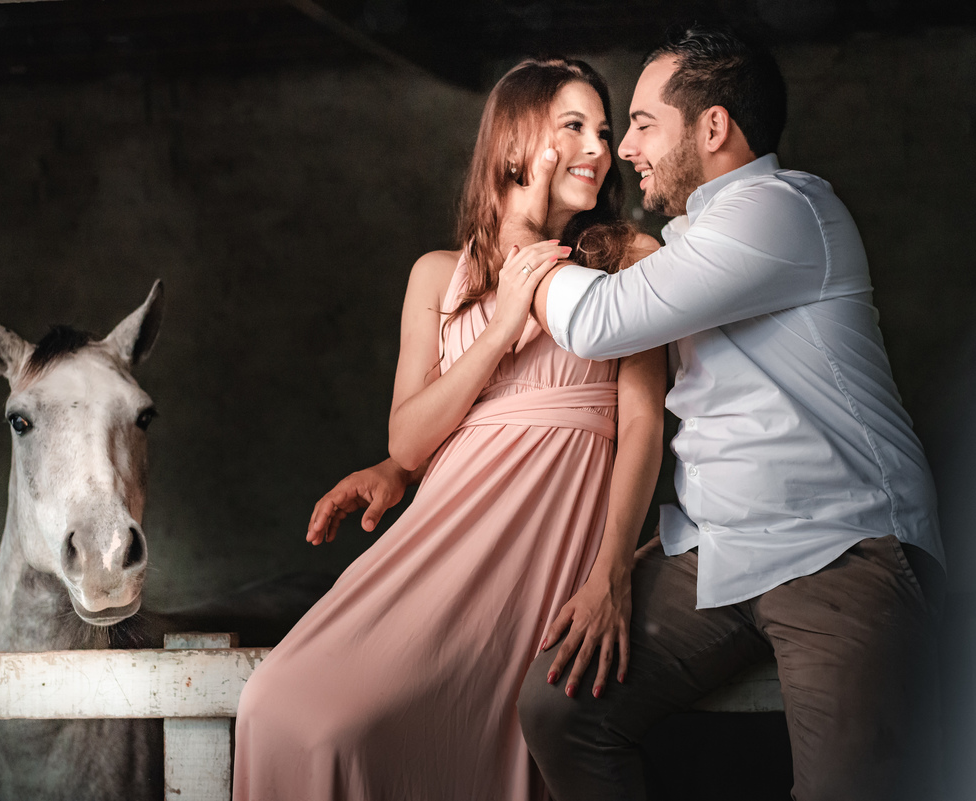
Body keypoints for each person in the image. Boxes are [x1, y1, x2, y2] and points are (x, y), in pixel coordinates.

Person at [317, 26, 947, 801]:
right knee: (560, 707)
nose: (621, 149)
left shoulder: (778, 211)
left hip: (837, 548)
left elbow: (601, 323)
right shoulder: (681, 242)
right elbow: (427, 423)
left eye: (638, 123)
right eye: (588, 128)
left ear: (712, 127)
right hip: (717, 551)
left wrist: (521, 238)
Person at [234, 58, 667, 801]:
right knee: (278, 704)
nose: (600, 147)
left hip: (547, 559)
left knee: (436, 735)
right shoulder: (437, 276)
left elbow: (644, 425)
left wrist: (612, 570)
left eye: (604, 129)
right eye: (574, 126)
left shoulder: (631, 260)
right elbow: (409, 441)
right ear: (509, 143)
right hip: (439, 548)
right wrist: (500, 326)